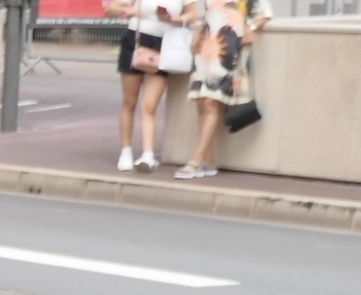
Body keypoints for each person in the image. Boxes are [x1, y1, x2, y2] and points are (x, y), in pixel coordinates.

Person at [175, 0, 267, 181]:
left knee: (211, 101)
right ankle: (208, 160)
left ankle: (197, 160)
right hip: (207, 43)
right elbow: (209, 12)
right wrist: (199, 32)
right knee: (202, 101)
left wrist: (249, 27)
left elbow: (263, 13)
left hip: (230, 46)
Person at [111, 0, 184, 173]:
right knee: (130, 100)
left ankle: (148, 155)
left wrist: (174, 19)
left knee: (149, 105)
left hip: (165, 44)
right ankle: (126, 151)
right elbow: (111, 9)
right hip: (136, 40)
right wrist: (128, 9)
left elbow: (193, 15)